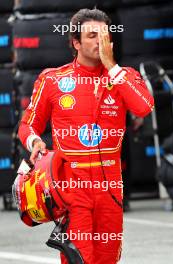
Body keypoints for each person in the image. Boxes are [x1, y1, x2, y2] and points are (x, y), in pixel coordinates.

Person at [18, 8, 154, 264]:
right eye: (92, 35)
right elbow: (27, 125)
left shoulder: (125, 77)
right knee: (79, 259)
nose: (101, 41)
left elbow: (143, 108)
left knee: (107, 259)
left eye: (104, 35)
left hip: (111, 188)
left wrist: (112, 66)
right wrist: (35, 141)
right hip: (71, 188)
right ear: (75, 43)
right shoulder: (52, 79)